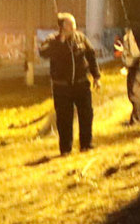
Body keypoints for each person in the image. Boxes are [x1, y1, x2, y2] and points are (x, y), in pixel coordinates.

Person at [38, 13, 101, 155]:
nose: (74, 27)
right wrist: (59, 43)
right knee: (64, 119)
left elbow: (91, 55)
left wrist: (96, 76)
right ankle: (66, 148)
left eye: (74, 24)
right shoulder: (52, 40)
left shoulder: (80, 38)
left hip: (81, 84)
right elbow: (43, 53)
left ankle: (86, 144)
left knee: (86, 114)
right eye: (71, 25)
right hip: (62, 87)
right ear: (62, 27)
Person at [115, 28, 140, 125]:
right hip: (137, 65)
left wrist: (128, 63)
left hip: (135, 66)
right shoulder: (133, 32)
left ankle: (138, 120)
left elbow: (135, 52)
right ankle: (136, 117)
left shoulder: (133, 33)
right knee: (135, 92)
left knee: (135, 92)